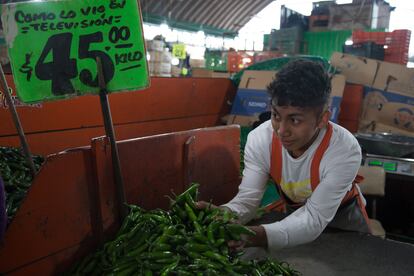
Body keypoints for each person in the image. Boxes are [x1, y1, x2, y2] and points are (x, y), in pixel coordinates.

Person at [197, 59, 370, 253]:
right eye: (276, 116)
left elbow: (314, 218)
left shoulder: (343, 150)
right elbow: (248, 200)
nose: (281, 130)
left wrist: (258, 235)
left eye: (295, 120)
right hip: (296, 216)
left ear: (322, 118)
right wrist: (225, 212)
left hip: (344, 219)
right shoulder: (260, 140)